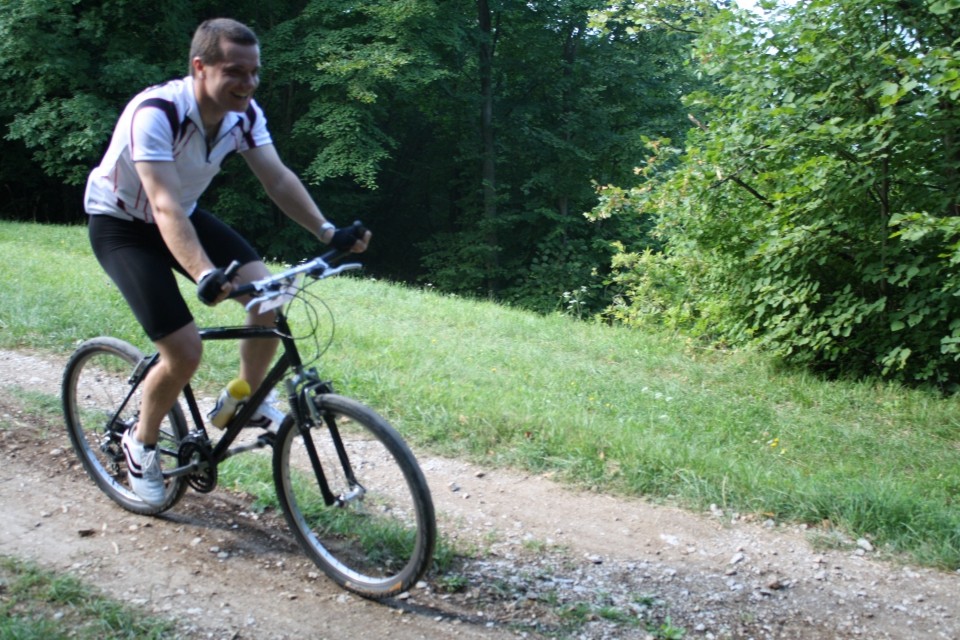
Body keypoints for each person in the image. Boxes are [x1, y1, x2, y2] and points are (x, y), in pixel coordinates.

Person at [84, 18, 371, 506]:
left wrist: (327, 231)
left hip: (184, 215)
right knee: (184, 351)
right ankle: (141, 443)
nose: (248, 83)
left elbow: (276, 178)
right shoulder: (155, 113)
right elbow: (163, 205)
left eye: (255, 73)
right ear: (200, 67)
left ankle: (244, 399)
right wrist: (204, 274)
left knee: (269, 294)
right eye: (235, 72)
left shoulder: (245, 115)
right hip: (123, 225)